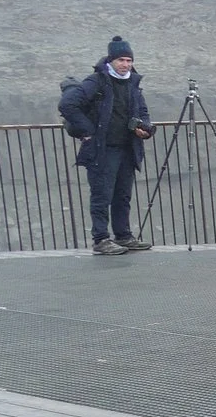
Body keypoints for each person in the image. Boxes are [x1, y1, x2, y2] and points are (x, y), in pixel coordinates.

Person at [58, 36, 155, 256]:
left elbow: (143, 113)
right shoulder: (97, 81)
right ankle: (101, 239)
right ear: (111, 60)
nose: (125, 65)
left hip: (127, 149)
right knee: (102, 194)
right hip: (103, 150)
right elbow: (67, 104)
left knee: (122, 195)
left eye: (129, 61)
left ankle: (123, 236)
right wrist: (88, 131)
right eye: (121, 60)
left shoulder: (132, 83)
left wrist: (145, 130)